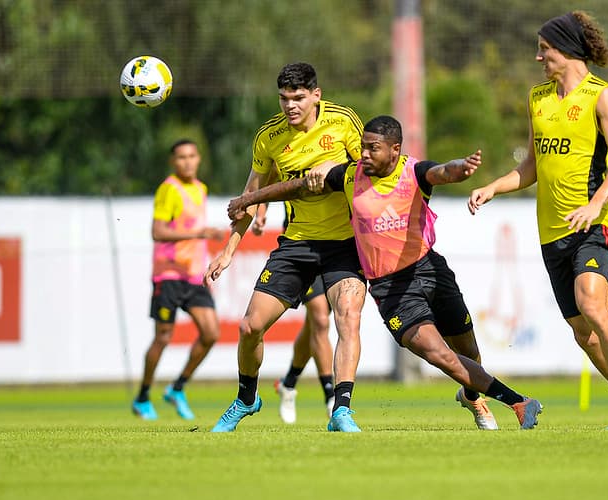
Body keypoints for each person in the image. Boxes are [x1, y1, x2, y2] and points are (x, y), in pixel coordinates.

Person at [227, 115, 543, 431]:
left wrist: (462, 167)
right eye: (362, 147)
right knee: (438, 354)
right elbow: (298, 188)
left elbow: (443, 171)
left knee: (469, 352)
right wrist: (250, 198)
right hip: (391, 289)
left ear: (394, 150)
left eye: (372, 148)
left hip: (430, 270)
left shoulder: (414, 172)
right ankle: (519, 403)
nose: (363, 154)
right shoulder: (349, 175)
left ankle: (472, 397)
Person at [467, 11, 608, 430]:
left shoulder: (601, 95)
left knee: (593, 303)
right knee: (583, 334)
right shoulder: (537, 98)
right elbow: (531, 167)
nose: (539, 58)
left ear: (567, 50)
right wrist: (493, 188)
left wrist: (596, 203)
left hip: (594, 225)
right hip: (551, 235)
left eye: (544, 49)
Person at [205, 62, 367, 432]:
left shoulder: (344, 122)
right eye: (283, 99)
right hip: (296, 244)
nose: (290, 106)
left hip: (345, 242)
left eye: (298, 98)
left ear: (316, 95)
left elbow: (371, 170)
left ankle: (341, 410)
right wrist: (228, 251)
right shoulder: (269, 136)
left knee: (347, 319)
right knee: (249, 327)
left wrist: (335, 165)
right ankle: (247, 399)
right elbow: (250, 196)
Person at [132, 139, 224, 421]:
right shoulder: (168, 189)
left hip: (194, 275)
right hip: (169, 274)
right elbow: (157, 232)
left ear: (199, 159)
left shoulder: (200, 189)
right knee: (163, 337)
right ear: (174, 162)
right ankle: (143, 396)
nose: (187, 161)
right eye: (181, 157)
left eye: (192, 156)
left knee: (211, 333)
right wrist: (199, 234)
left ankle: (177, 387)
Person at [251, 202, 335, 423]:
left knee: (315, 326)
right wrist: (260, 213)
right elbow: (267, 176)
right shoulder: (291, 166)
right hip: (302, 246)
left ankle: (288, 383)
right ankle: (331, 397)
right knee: (320, 318)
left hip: (337, 245)